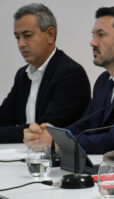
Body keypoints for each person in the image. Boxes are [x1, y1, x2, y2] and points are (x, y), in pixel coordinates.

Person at [23, 7, 114, 154]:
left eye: (101, 35)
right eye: (93, 35)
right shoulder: (103, 81)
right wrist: (51, 134)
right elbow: (85, 125)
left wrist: (58, 142)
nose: (93, 42)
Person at [0, 3, 91, 143]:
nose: (21, 44)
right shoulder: (22, 75)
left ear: (50, 34)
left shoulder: (71, 74)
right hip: (26, 156)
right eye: (17, 37)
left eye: (27, 36)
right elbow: (5, 117)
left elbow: (44, 129)